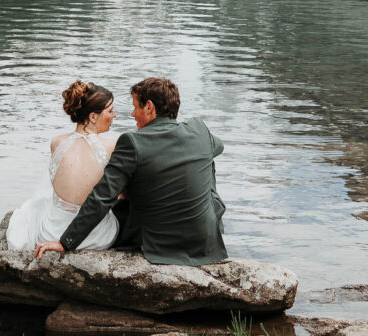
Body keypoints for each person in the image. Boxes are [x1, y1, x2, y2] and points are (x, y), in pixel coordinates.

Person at [34, 76, 227, 265]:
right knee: (206, 158)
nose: (132, 114)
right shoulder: (199, 129)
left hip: (158, 245)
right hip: (204, 241)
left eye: (135, 107)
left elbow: (102, 197)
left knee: (125, 195)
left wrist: (65, 242)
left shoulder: (133, 142)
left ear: (149, 107)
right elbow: (218, 147)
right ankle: (207, 215)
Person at [6, 81, 120, 251]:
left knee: (36, 206)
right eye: (110, 111)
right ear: (93, 117)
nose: (114, 115)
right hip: (97, 237)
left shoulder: (57, 143)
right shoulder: (111, 147)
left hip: (52, 232)